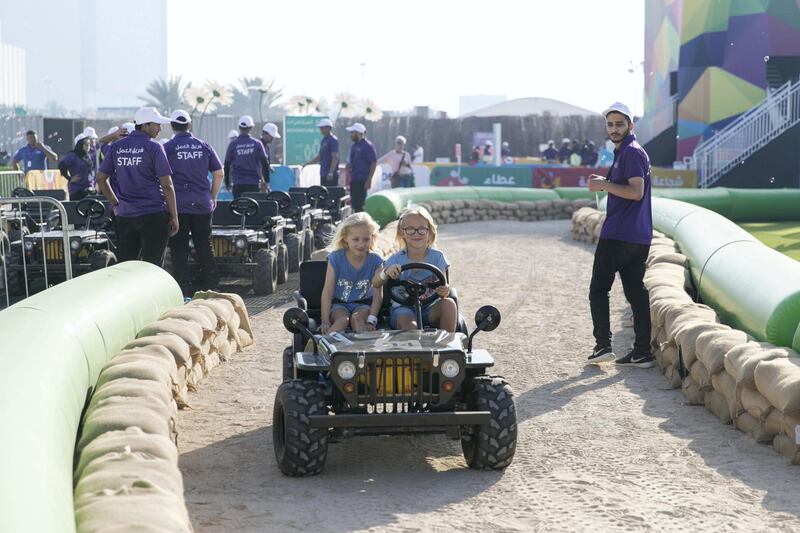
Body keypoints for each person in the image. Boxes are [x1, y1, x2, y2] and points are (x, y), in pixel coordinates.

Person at [586, 101, 653, 368]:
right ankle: (642, 352)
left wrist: (603, 185)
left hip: (619, 234)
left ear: (630, 126)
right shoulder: (629, 151)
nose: (614, 129)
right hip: (638, 235)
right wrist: (606, 184)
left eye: (619, 124)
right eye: (610, 124)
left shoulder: (631, 152)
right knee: (636, 292)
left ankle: (603, 345)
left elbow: (635, 192)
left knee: (598, 289)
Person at [96, 106, 179, 266]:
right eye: (157, 124)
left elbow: (100, 178)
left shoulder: (116, 147)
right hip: (153, 214)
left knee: (128, 266)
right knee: (152, 267)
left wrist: (115, 203)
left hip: (126, 215)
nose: (160, 129)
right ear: (145, 125)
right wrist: (174, 216)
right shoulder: (154, 147)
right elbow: (167, 185)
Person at [163, 109, 223, 293]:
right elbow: (219, 173)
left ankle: (181, 287)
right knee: (204, 245)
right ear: (189, 125)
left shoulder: (167, 148)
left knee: (179, 248)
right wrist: (212, 196)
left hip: (178, 205)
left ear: (172, 127)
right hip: (202, 205)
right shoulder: (204, 145)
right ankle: (212, 286)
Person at [373, 205, 456, 332]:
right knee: (411, 326)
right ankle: (413, 349)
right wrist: (386, 272)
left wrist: (445, 290)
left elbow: (443, 285)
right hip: (403, 308)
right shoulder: (395, 259)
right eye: (410, 229)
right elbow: (376, 282)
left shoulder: (437, 257)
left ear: (430, 232)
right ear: (403, 233)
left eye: (422, 229)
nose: (416, 234)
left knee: (449, 303)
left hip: (430, 308)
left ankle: (448, 347)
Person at [319, 212, 384, 334]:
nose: (361, 244)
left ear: (372, 238)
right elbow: (328, 291)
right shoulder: (336, 258)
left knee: (357, 319)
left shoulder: (375, 261)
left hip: (362, 305)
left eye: (366, 239)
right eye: (355, 239)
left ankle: (363, 350)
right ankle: (324, 345)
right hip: (339, 304)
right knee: (343, 320)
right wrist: (325, 321)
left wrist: (371, 320)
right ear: (345, 238)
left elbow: (377, 295)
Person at [224, 115, 270, 198]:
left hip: (238, 184)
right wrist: (266, 181)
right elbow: (265, 163)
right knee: (253, 208)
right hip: (254, 185)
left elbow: (226, 165)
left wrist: (227, 183)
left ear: (239, 127)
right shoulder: (257, 144)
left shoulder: (233, 144)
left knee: (238, 209)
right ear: (251, 127)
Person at [344, 122, 377, 213]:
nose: (351, 135)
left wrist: (369, 180)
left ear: (359, 133)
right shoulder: (354, 146)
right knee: (354, 203)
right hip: (354, 179)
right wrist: (349, 165)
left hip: (362, 179)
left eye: (352, 132)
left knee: (360, 204)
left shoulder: (368, 146)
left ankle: (362, 224)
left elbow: (373, 163)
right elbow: (351, 162)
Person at [302, 118, 339, 187]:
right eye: (320, 128)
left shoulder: (333, 140)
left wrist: (331, 172)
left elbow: (335, 157)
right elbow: (319, 157)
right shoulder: (324, 140)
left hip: (331, 175)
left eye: (322, 128)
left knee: (331, 195)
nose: (320, 130)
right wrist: (307, 164)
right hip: (323, 173)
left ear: (328, 128)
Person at [58, 133, 93, 201]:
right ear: (80, 144)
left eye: (89, 144)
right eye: (86, 144)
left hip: (88, 190)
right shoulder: (72, 155)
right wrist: (69, 178)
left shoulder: (87, 156)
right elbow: (61, 165)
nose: (88, 146)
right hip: (77, 191)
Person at [260, 122, 281, 190]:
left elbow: (266, 163)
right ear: (264, 134)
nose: (273, 138)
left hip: (264, 181)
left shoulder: (267, 147)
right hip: (259, 180)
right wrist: (264, 182)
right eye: (271, 136)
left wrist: (269, 167)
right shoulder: (258, 145)